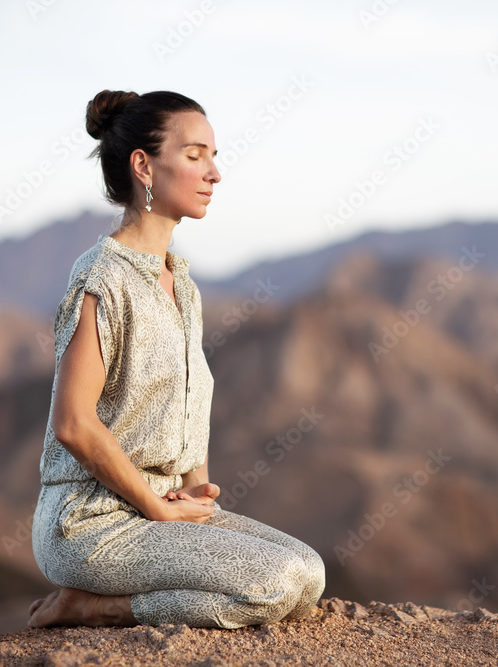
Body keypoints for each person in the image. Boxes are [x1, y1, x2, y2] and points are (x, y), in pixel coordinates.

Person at [27, 90, 325, 629]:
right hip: (92, 522)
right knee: (272, 584)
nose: (214, 173)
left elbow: (186, 410)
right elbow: (73, 424)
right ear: (143, 165)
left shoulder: (181, 284)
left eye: (213, 155)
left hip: (161, 509)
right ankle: (95, 605)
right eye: (195, 155)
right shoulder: (103, 278)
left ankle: (114, 588)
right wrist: (160, 507)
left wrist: (194, 499)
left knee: (307, 573)